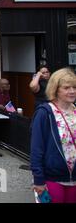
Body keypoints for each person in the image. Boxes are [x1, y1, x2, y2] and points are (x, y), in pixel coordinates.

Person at [31, 68, 76, 203]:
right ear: (56, 89)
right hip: (52, 178)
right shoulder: (45, 113)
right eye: (66, 88)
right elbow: (36, 148)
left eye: (74, 87)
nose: (72, 91)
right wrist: (38, 179)